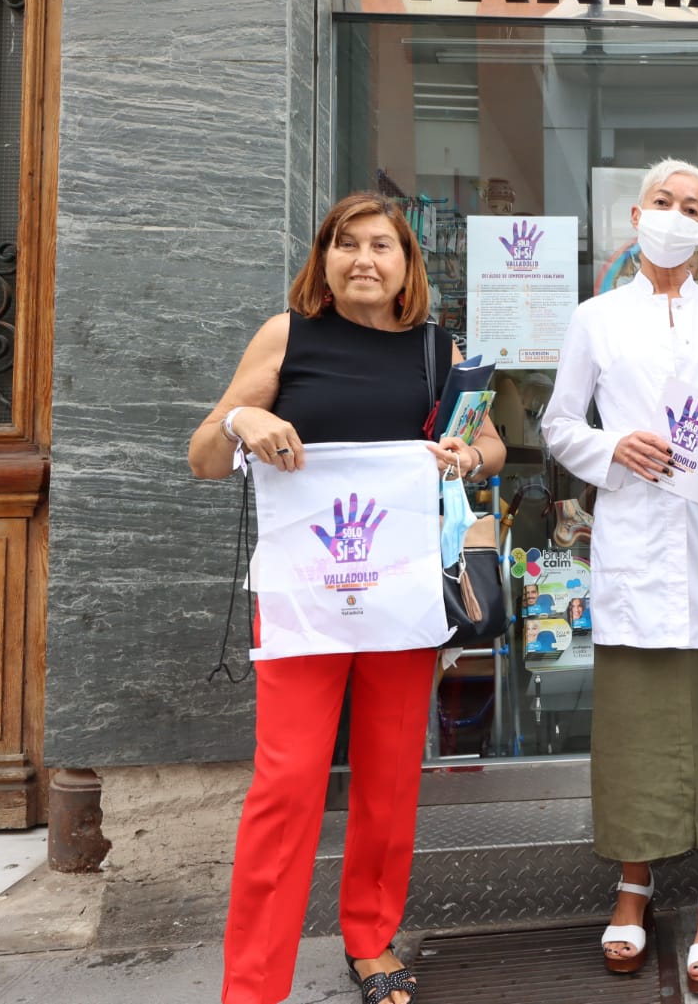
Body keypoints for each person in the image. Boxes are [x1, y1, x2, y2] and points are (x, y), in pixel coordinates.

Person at [187, 191, 506, 1004]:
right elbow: (203, 457)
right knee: (286, 785)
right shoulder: (285, 336)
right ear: (323, 260)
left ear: (407, 264)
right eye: (347, 243)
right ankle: (252, 985)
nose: (364, 257)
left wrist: (465, 459)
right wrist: (242, 420)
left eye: (381, 244)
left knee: (389, 778)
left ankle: (369, 938)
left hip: (401, 594)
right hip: (302, 598)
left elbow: (491, 443)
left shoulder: (437, 349)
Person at [543, 158, 698, 996]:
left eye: (691, 206)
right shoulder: (596, 319)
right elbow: (558, 424)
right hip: (637, 545)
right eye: (663, 202)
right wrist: (613, 447)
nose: (676, 215)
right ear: (636, 216)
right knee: (637, 729)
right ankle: (633, 884)